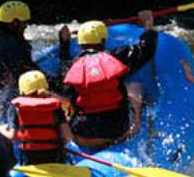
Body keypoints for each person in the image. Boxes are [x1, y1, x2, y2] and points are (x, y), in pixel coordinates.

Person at [0, 1, 72, 120]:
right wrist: (64, 45)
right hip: (0, 92)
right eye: (24, 22)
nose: (26, 26)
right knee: (64, 88)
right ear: (14, 22)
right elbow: (23, 75)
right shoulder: (10, 45)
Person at [61, 13, 157, 149]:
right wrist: (148, 26)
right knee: (135, 87)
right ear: (103, 41)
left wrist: (64, 44)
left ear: (81, 43)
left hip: (83, 135)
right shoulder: (117, 57)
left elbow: (65, 91)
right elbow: (146, 49)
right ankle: (135, 127)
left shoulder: (71, 67)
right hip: (118, 131)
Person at [0, 70, 73, 165]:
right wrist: (60, 145)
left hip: (30, 160)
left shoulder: (18, 108)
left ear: (22, 90)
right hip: (55, 157)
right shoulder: (55, 106)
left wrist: (0, 130)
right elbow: (68, 137)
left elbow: (13, 136)